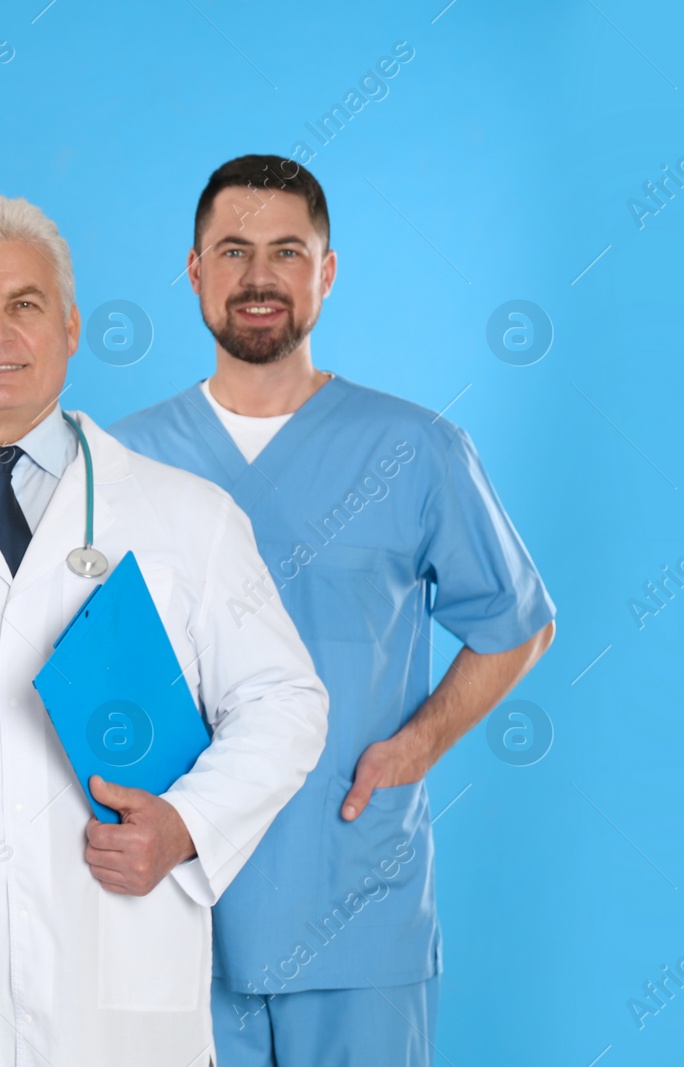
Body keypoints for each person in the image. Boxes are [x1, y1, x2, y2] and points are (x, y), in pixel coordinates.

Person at [111, 155, 557, 1066]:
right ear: (194, 272)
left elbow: (517, 621)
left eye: (287, 250)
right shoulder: (126, 460)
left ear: (327, 271)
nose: (259, 277)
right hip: (176, 905)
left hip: (355, 900)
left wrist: (419, 745)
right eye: (233, 251)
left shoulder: (415, 448)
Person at [0, 192, 329, 1066]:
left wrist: (184, 822)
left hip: (122, 981)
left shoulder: (184, 513)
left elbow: (286, 703)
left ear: (70, 326)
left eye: (24, 304)